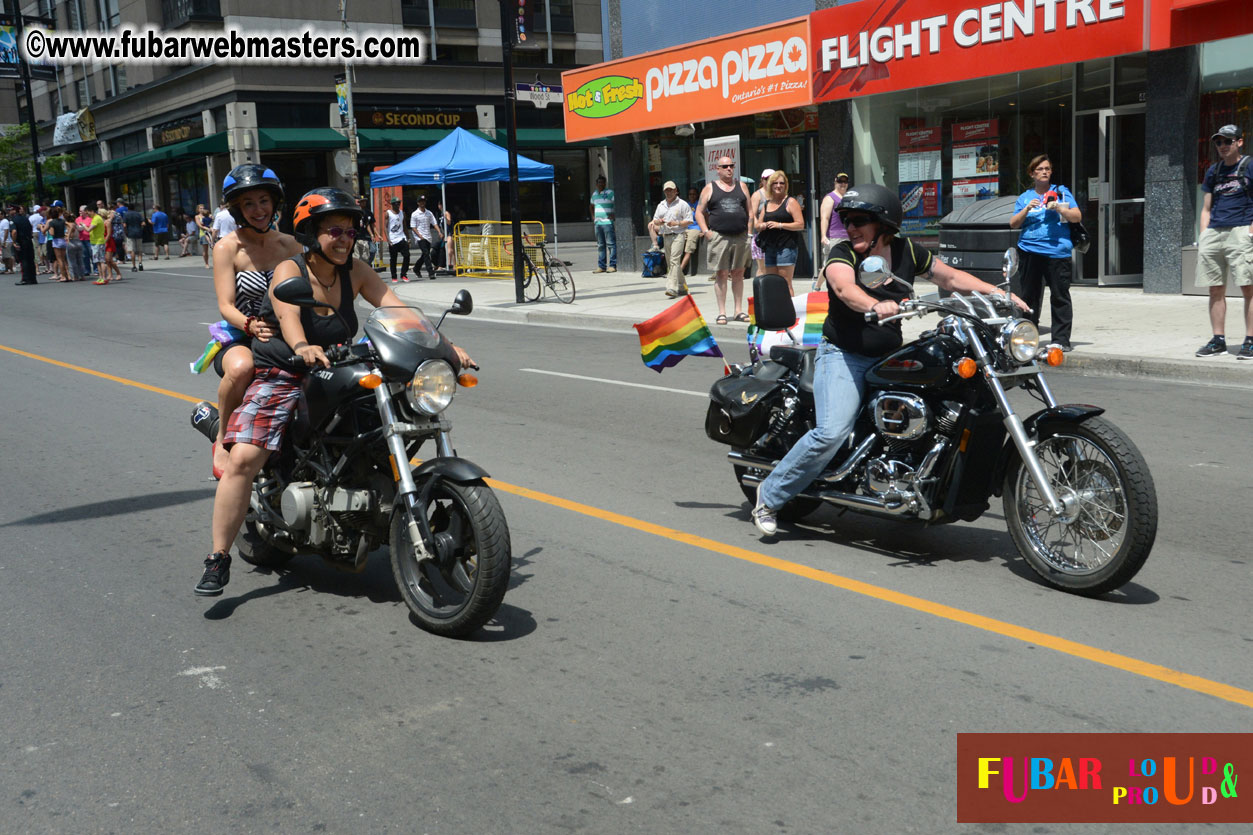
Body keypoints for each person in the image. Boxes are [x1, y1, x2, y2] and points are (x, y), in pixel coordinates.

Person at [194, 187, 475, 595]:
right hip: (285, 368)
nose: (343, 239)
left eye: (349, 231)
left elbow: (397, 309)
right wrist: (301, 346)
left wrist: (446, 346)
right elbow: (289, 316)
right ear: (311, 234)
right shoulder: (289, 271)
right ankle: (218, 557)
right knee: (246, 458)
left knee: (397, 409)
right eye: (333, 231)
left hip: (338, 364)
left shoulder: (356, 270)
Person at [750, 183, 1028, 536]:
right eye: (847, 220)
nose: (851, 228)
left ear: (884, 224)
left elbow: (950, 277)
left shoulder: (907, 250)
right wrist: (874, 304)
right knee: (831, 431)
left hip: (886, 354)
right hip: (844, 356)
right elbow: (843, 288)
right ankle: (770, 496)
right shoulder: (843, 252)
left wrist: (1001, 295)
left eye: (859, 220)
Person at [209, 164, 302, 479]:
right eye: (248, 204)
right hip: (242, 335)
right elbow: (226, 305)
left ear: (275, 202)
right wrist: (250, 325)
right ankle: (223, 438)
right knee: (241, 368)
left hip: (289, 335)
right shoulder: (227, 247)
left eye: (263, 200)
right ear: (237, 209)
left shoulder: (292, 246)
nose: (258, 209)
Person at [1009, 154, 1081, 352]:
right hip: (1029, 251)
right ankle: (1027, 339)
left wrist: (1058, 206)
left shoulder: (1061, 192)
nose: (1044, 172)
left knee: (1060, 296)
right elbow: (1013, 223)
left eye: (1047, 169)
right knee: (1029, 298)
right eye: (1040, 169)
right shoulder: (1025, 197)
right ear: (1032, 173)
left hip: (1057, 252)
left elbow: (1076, 216)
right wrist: (1027, 209)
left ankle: (1060, 340)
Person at [1194, 124, 1253, 360]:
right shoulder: (1214, 171)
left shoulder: (1249, 165)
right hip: (1214, 232)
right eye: (1218, 142)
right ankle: (1218, 340)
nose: (1222, 146)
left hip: (1241, 230)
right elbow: (1206, 207)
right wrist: (1204, 235)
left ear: (1239, 142)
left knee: (1248, 287)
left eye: (1227, 141)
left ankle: (1250, 340)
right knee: (1215, 289)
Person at [695, 155, 753, 324]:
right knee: (721, 273)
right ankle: (722, 312)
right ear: (718, 170)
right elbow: (699, 212)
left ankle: (738, 311)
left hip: (741, 236)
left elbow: (750, 211)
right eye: (725, 166)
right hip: (719, 236)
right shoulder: (709, 188)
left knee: (739, 273)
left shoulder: (742, 186)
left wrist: (749, 233)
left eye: (731, 166)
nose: (729, 169)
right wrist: (706, 232)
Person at [755, 171, 806, 296]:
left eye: (782, 183)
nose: (778, 186)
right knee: (772, 283)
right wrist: (761, 226)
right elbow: (758, 225)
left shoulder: (790, 202)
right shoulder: (767, 203)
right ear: (770, 185)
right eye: (775, 183)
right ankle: (776, 313)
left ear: (786, 185)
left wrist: (780, 225)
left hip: (786, 247)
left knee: (785, 283)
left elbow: (800, 224)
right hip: (770, 247)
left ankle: (789, 312)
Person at [647, 181, 693, 298]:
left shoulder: (682, 204)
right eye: (667, 190)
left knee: (674, 261)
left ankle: (672, 287)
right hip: (666, 235)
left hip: (678, 234)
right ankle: (683, 287)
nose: (669, 192)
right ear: (664, 192)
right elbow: (655, 221)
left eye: (671, 190)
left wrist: (677, 223)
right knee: (672, 263)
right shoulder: (661, 205)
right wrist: (660, 222)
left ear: (676, 191)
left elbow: (689, 220)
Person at [818, 172, 851, 267]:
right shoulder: (830, 198)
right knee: (831, 264)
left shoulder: (848, 198)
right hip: (834, 237)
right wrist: (823, 235)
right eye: (840, 181)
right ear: (835, 182)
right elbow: (825, 218)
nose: (843, 184)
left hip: (848, 235)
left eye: (845, 181)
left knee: (845, 263)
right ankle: (819, 283)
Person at [748, 169, 775, 278]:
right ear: (762, 180)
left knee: (774, 268)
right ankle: (760, 292)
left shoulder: (777, 193)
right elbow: (752, 214)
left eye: (772, 179)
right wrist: (758, 226)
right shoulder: (757, 195)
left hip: (775, 235)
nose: (769, 181)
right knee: (763, 269)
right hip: (760, 236)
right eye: (767, 179)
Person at [408, 194, 439, 280]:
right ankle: (430, 272)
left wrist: (439, 232)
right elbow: (413, 227)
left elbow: (434, 223)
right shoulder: (415, 214)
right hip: (420, 237)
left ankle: (416, 268)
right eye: (421, 201)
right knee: (426, 253)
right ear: (418, 203)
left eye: (424, 201)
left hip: (428, 236)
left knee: (425, 255)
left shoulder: (429, 213)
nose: (422, 203)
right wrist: (419, 236)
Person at [590, 174, 616, 273]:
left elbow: (617, 203)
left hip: (607, 222)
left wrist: (614, 215)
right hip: (598, 223)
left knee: (611, 244)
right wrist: (593, 217)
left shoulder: (610, 193)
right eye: (599, 182)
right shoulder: (594, 194)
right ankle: (601, 266)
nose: (600, 184)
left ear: (605, 183)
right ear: (596, 184)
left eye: (602, 182)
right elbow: (591, 205)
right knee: (600, 245)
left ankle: (612, 265)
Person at [10, 204, 37, 285]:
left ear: (15, 211)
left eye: (11, 210)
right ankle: (33, 278)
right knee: (30, 260)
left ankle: (25, 278)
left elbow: (14, 232)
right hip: (28, 240)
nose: (10, 212)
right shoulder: (25, 218)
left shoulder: (14, 220)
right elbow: (30, 228)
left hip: (21, 241)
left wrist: (14, 242)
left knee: (23, 260)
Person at [385, 196, 410, 282]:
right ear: (392, 204)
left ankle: (403, 274)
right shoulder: (388, 213)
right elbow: (385, 227)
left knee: (407, 255)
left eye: (399, 203)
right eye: (396, 203)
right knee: (393, 259)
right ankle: (394, 276)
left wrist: (408, 237)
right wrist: (388, 240)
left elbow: (405, 226)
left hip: (401, 237)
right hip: (392, 239)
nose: (398, 205)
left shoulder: (402, 213)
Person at [681, 186, 702, 278]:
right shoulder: (686, 205)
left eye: (694, 194)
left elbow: (705, 217)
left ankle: (680, 270)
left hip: (696, 228)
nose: (692, 196)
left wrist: (704, 230)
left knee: (688, 249)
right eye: (690, 194)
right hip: (685, 228)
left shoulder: (700, 204)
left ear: (697, 195)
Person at [123, 201, 147, 271]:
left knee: (132, 250)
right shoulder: (138, 214)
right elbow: (143, 223)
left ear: (128, 208)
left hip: (130, 234)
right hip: (138, 233)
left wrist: (126, 232)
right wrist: (141, 229)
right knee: (139, 250)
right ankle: (140, 263)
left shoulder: (126, 215)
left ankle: (134, 266)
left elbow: (124, 225)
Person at [75, 206, 94, 276]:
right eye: (79, 211)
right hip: (81, 239)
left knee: (92, 254)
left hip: (89, 238)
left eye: (81, 211)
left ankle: (96, 270)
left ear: (85, 211)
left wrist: (84, 226)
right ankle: (87, 270)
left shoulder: (90, 219)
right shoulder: (77, 219)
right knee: (84, 256)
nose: (79, 212)